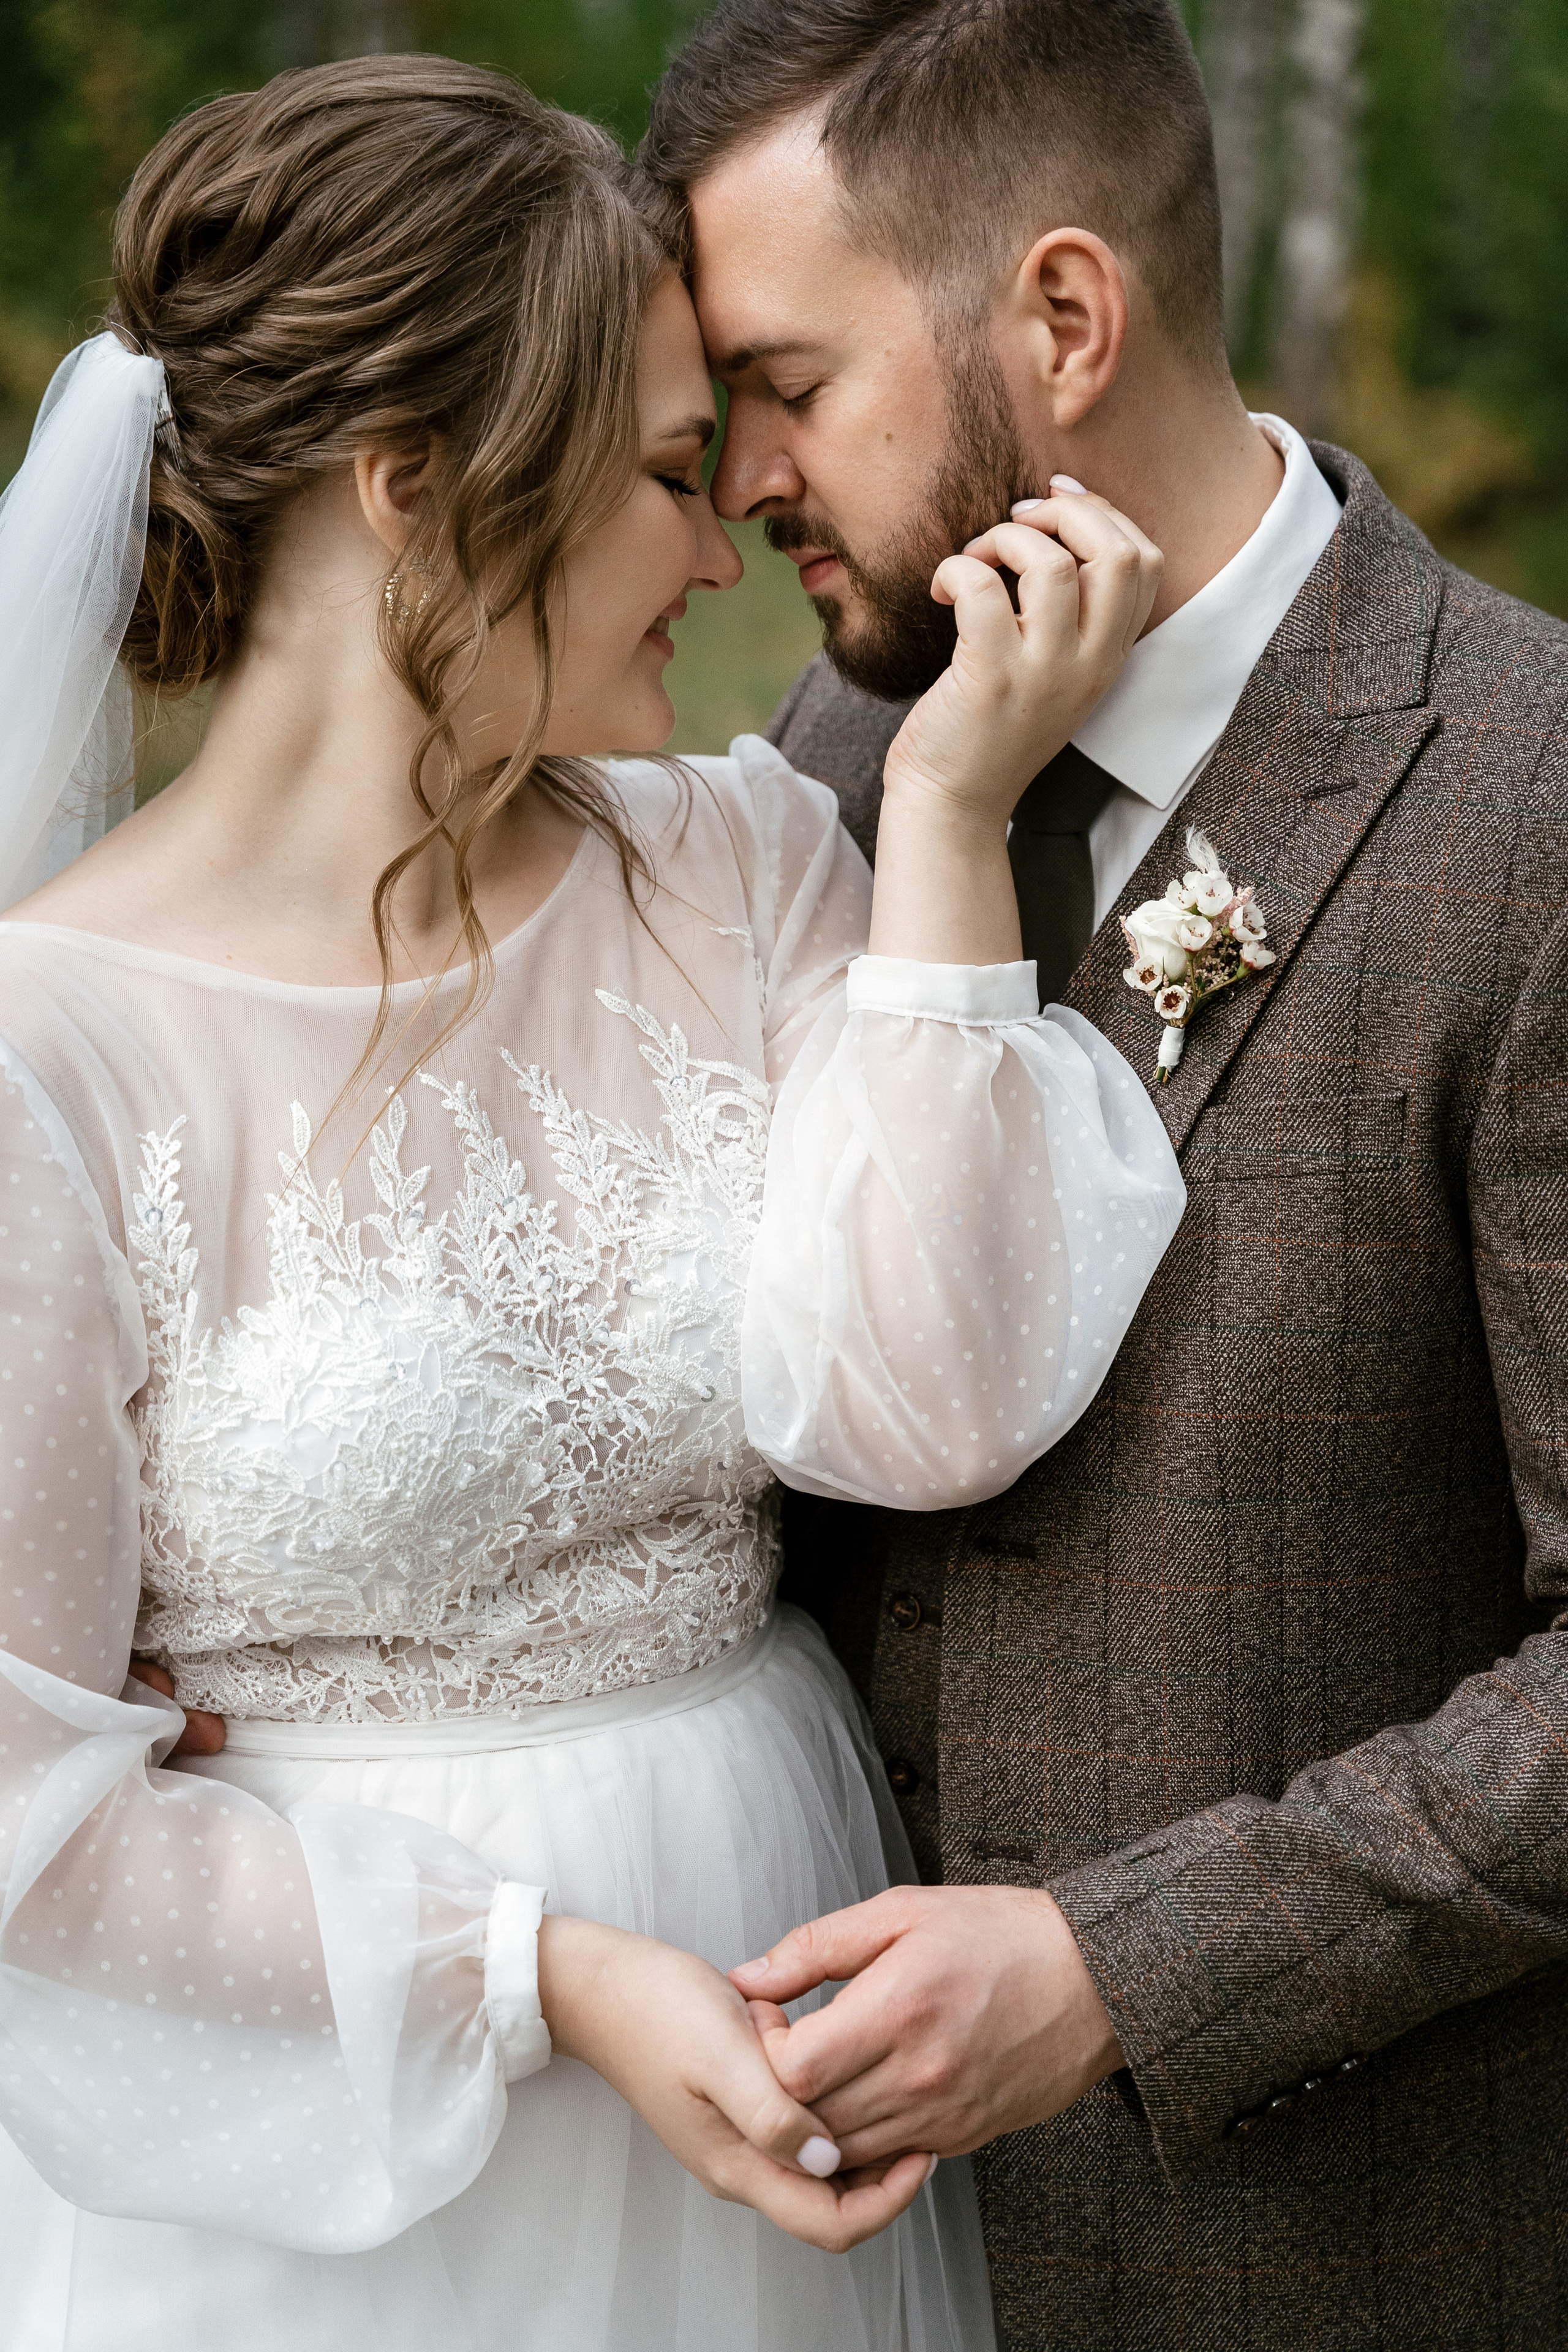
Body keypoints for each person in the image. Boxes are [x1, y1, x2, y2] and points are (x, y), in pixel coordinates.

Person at [0, 53, 1185, 2352]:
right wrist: (540, 1975)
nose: (728, 543)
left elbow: (930, 1411)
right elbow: (16, 1814)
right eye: (664, 474)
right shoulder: (44, 1052)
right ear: (416, 493)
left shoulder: (739, 861)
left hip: (791, 1987)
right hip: (326, 2115)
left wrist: (944, 829)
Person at [639, 2, 1568, 2347]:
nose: (731, 473)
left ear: (1063, 316)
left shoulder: (1539, 818)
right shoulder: (832, 758)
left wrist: (1121, 1967)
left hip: (1346, 2263)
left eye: (785, 381)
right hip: (803, 2247)